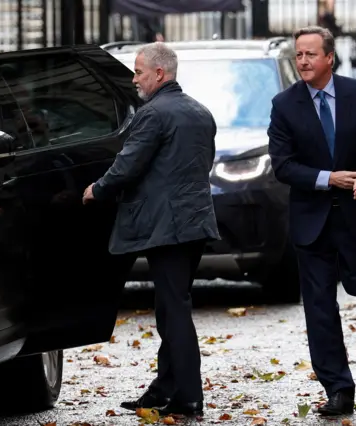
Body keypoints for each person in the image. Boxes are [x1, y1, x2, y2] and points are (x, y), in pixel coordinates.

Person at [82, 42, 220, 417]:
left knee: (173, 310)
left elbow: (128, 165)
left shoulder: (153, 114)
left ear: (159, 74)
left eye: (139, 71)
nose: (133, 78)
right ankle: (165, 388)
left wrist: (98, 189)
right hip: (194, 223)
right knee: (169, 306)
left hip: (167, 226)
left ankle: (189, 397)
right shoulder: (200, 112)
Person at [267, 25, 356, 416]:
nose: (302, 61)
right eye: (298, 55)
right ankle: (339, 388)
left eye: (309, 54)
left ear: (329, 58)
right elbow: (283, 165)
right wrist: (327, 179)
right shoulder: (284, 104)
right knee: (320, 309)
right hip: (312, 222)